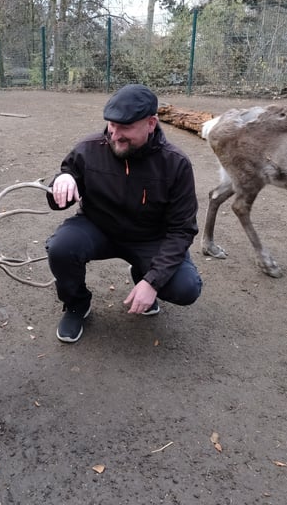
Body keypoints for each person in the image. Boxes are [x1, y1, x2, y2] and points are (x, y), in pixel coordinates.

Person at [45, 84, 203, 343]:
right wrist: (60, 182)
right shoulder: (88, 149)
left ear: (151, 124)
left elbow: (182, 230)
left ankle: (142, 273)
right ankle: (77, 304)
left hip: (150, 238)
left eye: (126, 128)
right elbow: (57, 199)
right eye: (111, 125)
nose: (115, 135)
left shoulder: (176, 164)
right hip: (98, 228)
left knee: (186, 288)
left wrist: (152, 281)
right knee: (61, 248)